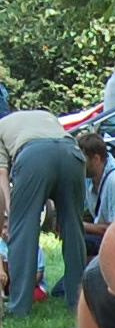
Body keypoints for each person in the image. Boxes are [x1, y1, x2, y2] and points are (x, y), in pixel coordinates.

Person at [0, 108, 87, 315]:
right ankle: (79, 302)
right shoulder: (44, 116)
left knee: (23, 232)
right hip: (72, 153)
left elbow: (2, 174)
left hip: (34, 157)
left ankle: (19, 307)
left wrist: (12, 211)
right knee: (74, 230)